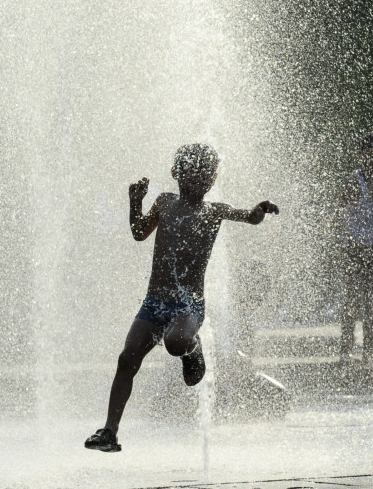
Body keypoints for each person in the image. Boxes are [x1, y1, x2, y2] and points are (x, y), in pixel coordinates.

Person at [85, 144, 279, 452]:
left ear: (214, 178)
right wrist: (134, 202)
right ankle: (109, 431)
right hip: (154, 302)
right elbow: (139, 231)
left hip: (189, 305)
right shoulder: (164, 202)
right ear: (177, 172)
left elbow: (249, 217)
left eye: (208, 172)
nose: (201, 178)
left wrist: (259, 211)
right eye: (193, 170)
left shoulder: (215, 211)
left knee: (176, 342)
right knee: (127, 359)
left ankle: (194, 349)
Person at [338, 132, 373, 367]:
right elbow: (339, 215)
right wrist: (350, 243)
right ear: (361, 155)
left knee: (371, 302)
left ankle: (368, 353)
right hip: (354, 248)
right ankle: (345, 351)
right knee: (351, 301)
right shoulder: (353, 181)